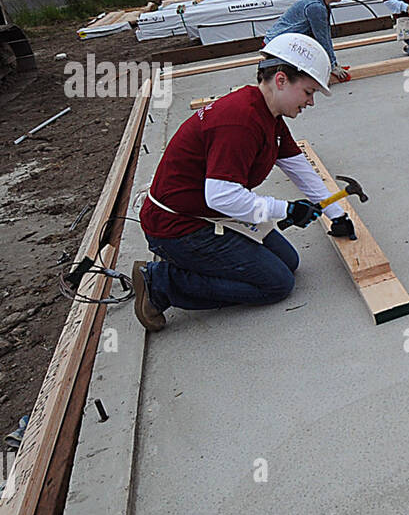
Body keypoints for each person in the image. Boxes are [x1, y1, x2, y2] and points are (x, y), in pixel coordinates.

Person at [132, 33, 356, 331]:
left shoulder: (269, 116)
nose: (311, 102)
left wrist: (336, 215)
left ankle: (189, 269)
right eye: (308, 91)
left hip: (205, 213)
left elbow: (299, 169)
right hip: (177, 227)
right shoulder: (240, 121)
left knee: (288, 261)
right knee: (277, 284)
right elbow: (221, 196)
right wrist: (286, 210)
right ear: (280, 80)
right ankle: (160, 284)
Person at [262, 0, 352, 84]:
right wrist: (332, 66)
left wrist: (333, 63)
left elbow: (324, 36)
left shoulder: (319, 2)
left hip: (279, 43)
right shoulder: (315, 7)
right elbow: (322, 39)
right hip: (277, 48)